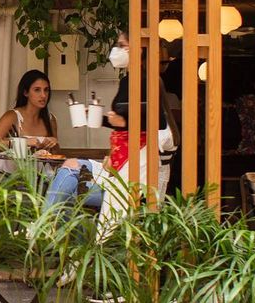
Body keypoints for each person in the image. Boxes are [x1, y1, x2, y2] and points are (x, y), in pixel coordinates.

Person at [45, 31, 177, 219]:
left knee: (68, 191)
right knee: (70, 166)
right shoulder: (126, 81)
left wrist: (124, 122)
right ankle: (48, 229)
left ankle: (44, 229)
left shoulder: (149, 82)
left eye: (122, 46)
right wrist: (98, 118)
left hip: (134, 174)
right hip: (118, 162)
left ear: (138, 50)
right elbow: (123, 123)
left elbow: (155, 124)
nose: (117, 50)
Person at [0, 69, 59, 156]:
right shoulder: (12, 116)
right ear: (25, 92)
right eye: (37, 90)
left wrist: (54, 144)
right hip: (14, 169)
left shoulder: (50, 119)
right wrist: (23, 142)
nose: (43, 95)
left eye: (46, 90)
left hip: (43, 169)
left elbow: (55, 155)